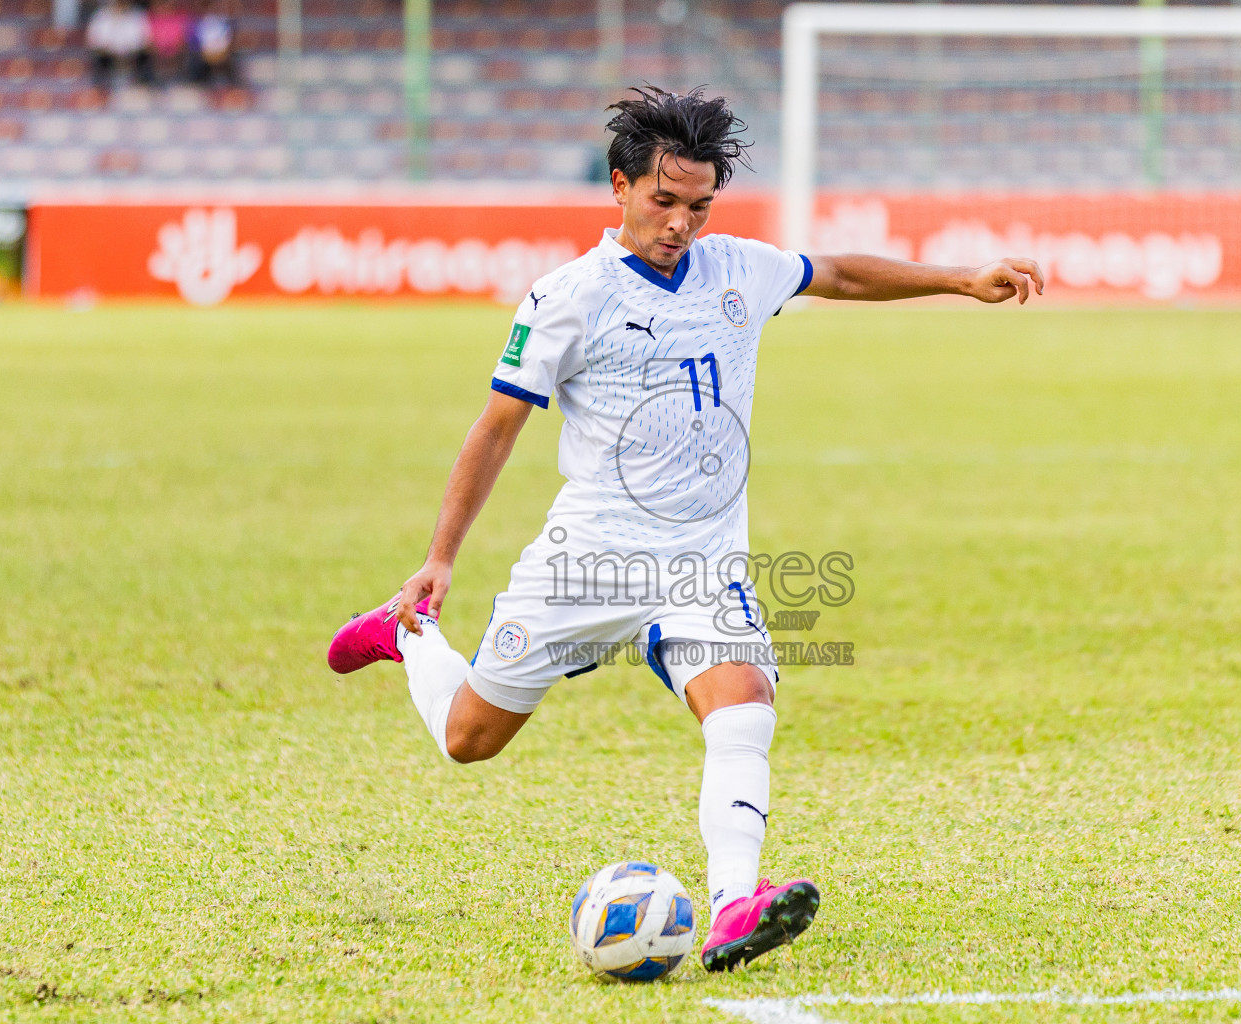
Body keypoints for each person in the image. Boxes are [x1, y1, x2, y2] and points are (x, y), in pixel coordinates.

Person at [327, 86, 1044, 973]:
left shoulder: (736, 268)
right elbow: (496, 427)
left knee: (743, 706)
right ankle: (411, 633)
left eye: (698, 205)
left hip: (704, 562)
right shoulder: (566, 298)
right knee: (470, 739)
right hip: (587, 560)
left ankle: (735, 905)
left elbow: (838, 275)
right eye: (663, 201)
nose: (680, 222)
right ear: (619, 188)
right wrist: (439, 561)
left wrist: (958, 279)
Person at [86, 0, 151, 90]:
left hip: (133, 58)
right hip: (108, 59)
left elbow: (144, 41)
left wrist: (125, 54)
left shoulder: (138, 15)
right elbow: (95, 42)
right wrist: (115, 54)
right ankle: (101, 90)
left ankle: (141, 87)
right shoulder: (101, 15)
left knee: (145, 60)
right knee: (99, 60)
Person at [188, 0, 236, 87]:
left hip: (221, 56)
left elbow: (228, 43)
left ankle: (232, 86)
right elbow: (194, 44)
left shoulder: (224, 23)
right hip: (204, 57)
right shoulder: (198, 24)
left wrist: (220, 53)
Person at [148, 0, 193, 84]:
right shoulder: (151, 18)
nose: (167, 5)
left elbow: (184, 39)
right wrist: (161, 51)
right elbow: (149, 41)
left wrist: (173, 51)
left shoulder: (182, 16)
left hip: (177, 56)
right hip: (158, 56)